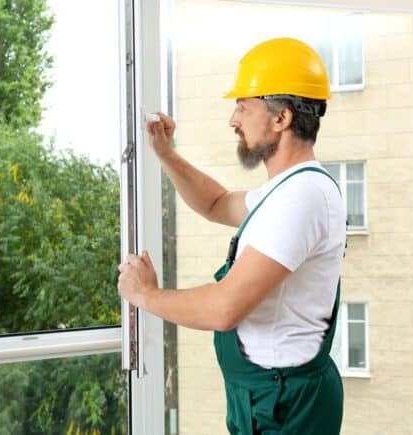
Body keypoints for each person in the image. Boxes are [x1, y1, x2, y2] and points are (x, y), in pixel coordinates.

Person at [117, 37, 346, 435]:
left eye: (244, 105)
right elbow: (216, 202)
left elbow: (225, 309)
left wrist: (146, 296)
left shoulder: (303, 196)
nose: (233, 119)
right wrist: (166, 154)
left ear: (281, 119)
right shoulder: (286, 190)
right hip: (267, 397)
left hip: (284, 406)